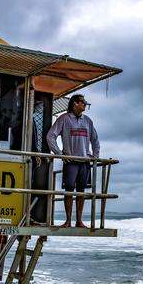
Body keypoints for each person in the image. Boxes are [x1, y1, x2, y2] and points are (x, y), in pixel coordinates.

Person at [46, 93, 99, 227]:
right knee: (69, 190)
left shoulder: (87, 120)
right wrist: (59, 154)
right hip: (71, 161)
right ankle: (68, 220)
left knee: (81, 191)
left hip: (85, 161)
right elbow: (50, 136)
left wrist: (95, 156)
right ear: (75, 103)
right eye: (82, 102)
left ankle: (79, 221)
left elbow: (95, 140)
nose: (85, 104)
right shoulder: (64, 118)